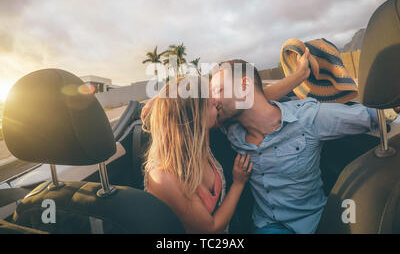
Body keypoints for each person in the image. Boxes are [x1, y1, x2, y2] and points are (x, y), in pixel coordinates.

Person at [210, 59, 398, 234]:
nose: (213, 101)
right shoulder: (230, 130)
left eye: (219, 91)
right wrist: (298, 77)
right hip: (267, 225)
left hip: (312, 222)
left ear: (244, 87)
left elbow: (374, 115)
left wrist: (393, 105)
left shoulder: (308, 118)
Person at [142, 51, 311, 233]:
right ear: (195, 118)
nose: (217, 102)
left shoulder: (202, 134)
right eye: (210, 101)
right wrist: (239, 183)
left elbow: (253, 99)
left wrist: (299, 75)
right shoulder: (164, 176)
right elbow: (210, 229)